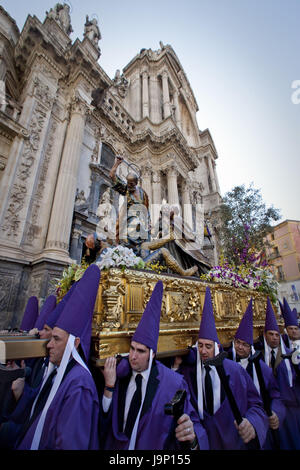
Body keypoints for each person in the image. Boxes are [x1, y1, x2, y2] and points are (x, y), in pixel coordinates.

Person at [100, 280, 209, 450]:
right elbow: (104, 420)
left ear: (152, 355)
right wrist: (109, 386)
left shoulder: (173, 383)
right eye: (132, 349)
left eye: (141, 351)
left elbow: (192, 424)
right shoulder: (120, 376)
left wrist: (193, 436)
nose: (133, 356)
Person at [15, 265, 101, 450]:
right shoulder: (58, 370)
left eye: (56, 339)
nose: (49, 344)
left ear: (75, 343)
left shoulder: (80, 385)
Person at [178, 287, 268, 450]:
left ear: (217, 347)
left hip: (235, 442)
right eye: (200, 346)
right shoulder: (189, 373)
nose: (203, 351)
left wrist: (252, 423)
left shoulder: (235, 371)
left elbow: (257, 405)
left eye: (208, 346)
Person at [224, 298, 286, 449]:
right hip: (235, 430)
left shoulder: (263, 369)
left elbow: (275, 396)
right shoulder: (227, 366)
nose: (240, 347)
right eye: (237, 342)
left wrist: (276, 413)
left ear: (251, 346)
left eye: (244, 344)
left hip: (260, 426)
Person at [254, 297, 300, 449]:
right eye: (270, 334)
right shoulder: (259, 356)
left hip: (290, 410)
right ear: (265, 335)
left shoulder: (291, 356)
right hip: (269, 410)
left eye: (276, 334)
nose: (274, 338)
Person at [142, 204, 210, 276]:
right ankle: (170, 274)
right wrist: (158, 233)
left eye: (167, 208)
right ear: (161, 211)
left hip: (175, 243)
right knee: (166, 256)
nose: (166, 210)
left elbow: (184, 231)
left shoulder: (175, 220)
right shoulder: (160, 222)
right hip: (166, 243)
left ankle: (179, 273)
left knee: (177, 257)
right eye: (164, 209)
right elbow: (154, 233)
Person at [109, 156, 151, 257]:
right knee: (126, 242)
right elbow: (112, 176)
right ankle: (127, 259)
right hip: (129, 220)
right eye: (128, 183)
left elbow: (146, 209)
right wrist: (117, 164)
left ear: (136, 183)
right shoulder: (126, 189)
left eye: (131, 184)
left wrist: (149, 222)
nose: (129, 185)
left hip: (141, 222)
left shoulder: (142, 193)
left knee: (143, 245)